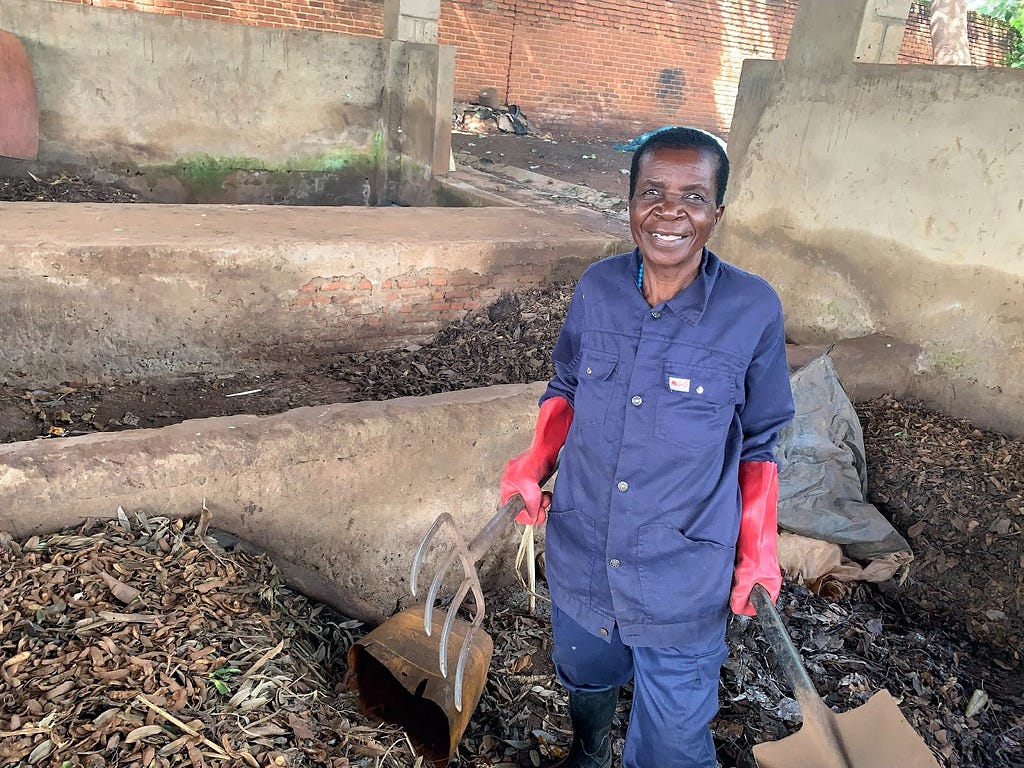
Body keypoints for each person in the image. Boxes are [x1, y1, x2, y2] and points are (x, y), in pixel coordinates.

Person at [499, 126, 795, 768]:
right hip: (583, 549)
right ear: (630, 203)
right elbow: (568, 385)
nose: (671, 210)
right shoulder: (598, 288)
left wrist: (759, 548)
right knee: (586, 672)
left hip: (682, 572)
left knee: (672, 747)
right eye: (652, 192)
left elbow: (761, 439)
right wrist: (533, 462)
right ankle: (589, 749)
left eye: (693, 195)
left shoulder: (752, 308)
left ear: (717, 212)